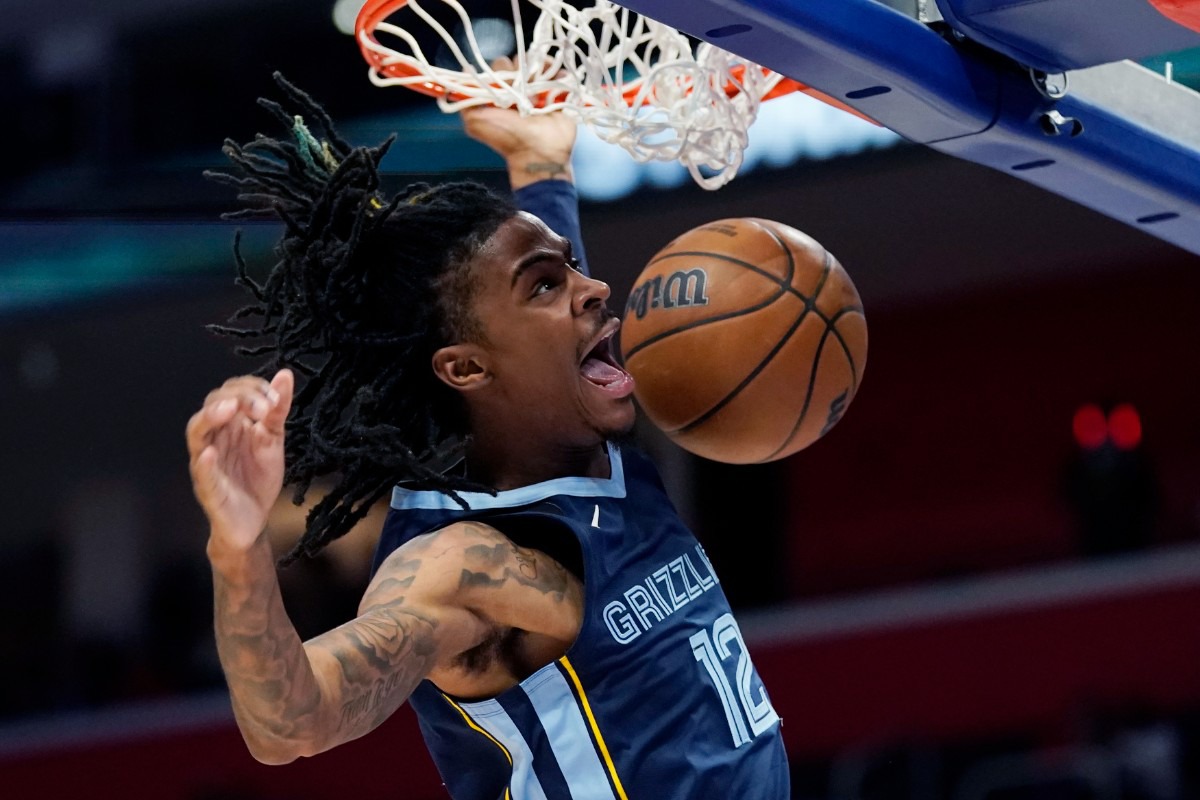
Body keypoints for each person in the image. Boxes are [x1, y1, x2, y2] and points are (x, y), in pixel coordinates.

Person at [186, 75, 787, 798]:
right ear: (465, 368)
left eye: (570, 266)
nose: (591, 290)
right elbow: (289, 725)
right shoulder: (468, 565)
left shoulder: (574, 427)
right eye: (545, 284)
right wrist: (238, 545)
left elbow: (535, 334)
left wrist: (542, 168)